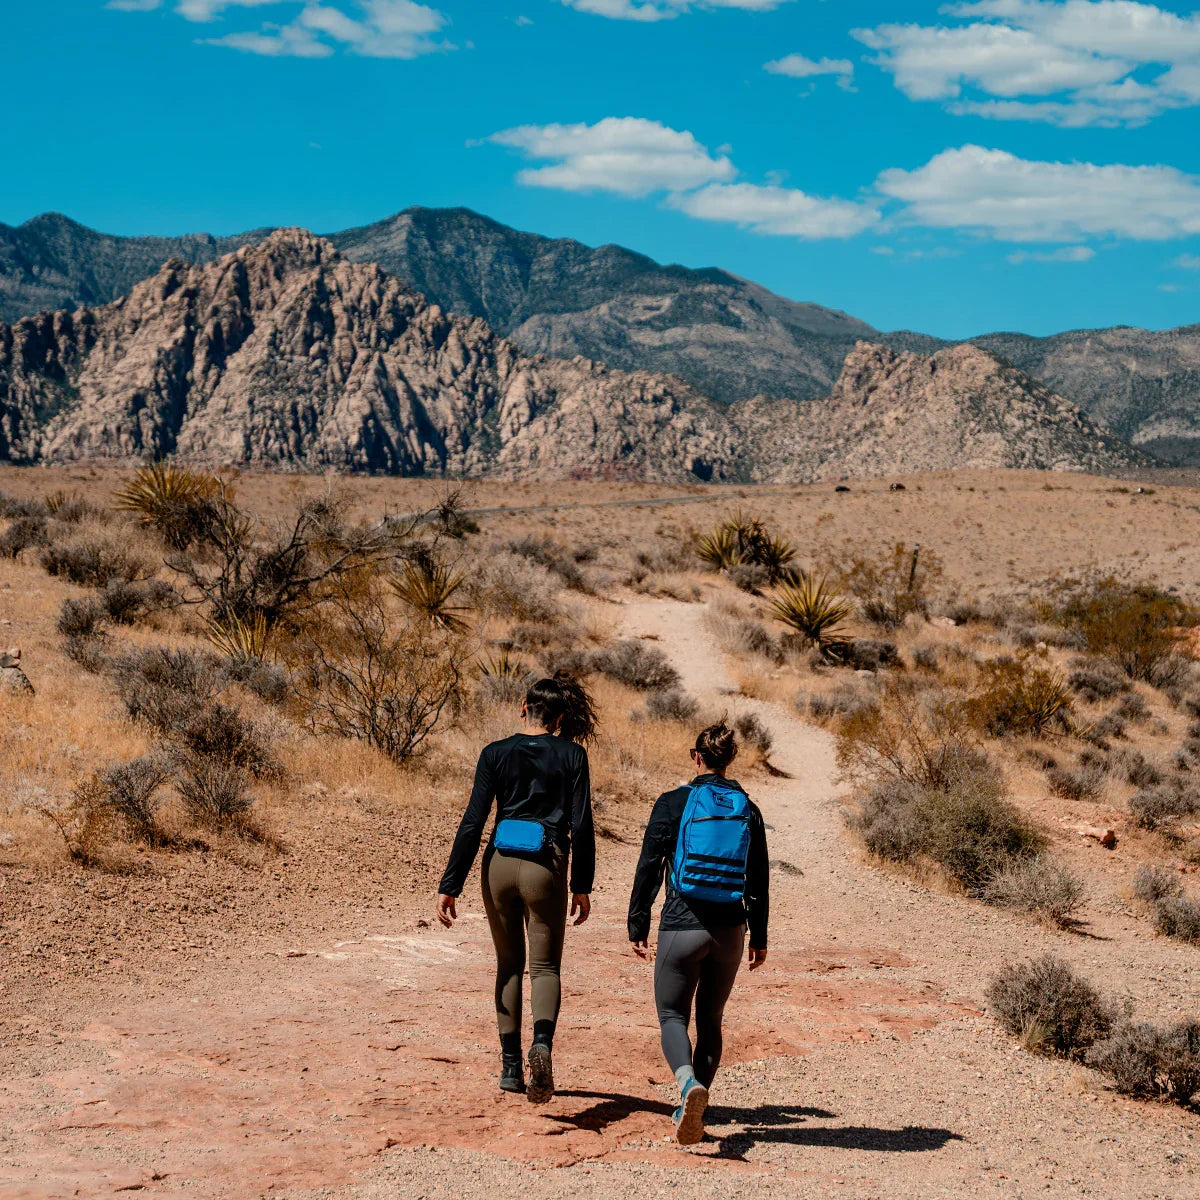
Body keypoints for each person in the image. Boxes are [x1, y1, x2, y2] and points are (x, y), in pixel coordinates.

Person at [436, 672, 597, 1104]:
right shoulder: (572, 756)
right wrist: (582, 884)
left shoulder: (494, 753)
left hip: (499, 865)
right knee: (544, 968)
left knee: (508, 964)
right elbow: (581, 825)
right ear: (560, 717)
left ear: (523, 707)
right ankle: (540, 1045)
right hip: (546, 865)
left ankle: (510, 1069)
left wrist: (450, 883)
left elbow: (473, 823)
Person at [627, 720, 770, 1145]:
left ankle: (688, 1087)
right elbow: (758, 879)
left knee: (672, 1015)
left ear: (696, 757)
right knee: (711, 1020)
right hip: (730, 930)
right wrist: (759, 937)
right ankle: (695, 1106)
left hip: (681, 925)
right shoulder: (748, 807)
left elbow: (649, 865)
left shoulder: (673, 802)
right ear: (730, 760)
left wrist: (638, 922)